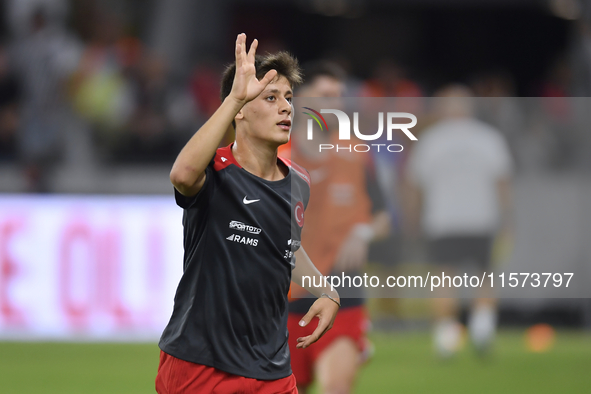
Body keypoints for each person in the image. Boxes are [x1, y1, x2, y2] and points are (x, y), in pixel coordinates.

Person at [155, 34, 341, 393]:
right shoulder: (215, 171)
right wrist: (234, 97)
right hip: (201, 365)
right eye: (270, 98)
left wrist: (326, 289)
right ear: (238, 108)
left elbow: (286, 246)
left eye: (288, 98)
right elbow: (181, 176)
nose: (286, 107)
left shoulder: (299, 181)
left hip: (272, 370)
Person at [288, 61, 390, 394]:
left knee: (336, 387)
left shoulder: (356, 152)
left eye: (340, 96)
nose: (337, 103)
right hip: (280, 304)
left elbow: (384, 216)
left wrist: (364, 232)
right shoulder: (275, 154)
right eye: (326, 95)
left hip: (342, 296)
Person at [404, 85, 513, 357]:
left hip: (443, 220)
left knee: (444, 276)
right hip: (481, 218)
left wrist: (413, 218)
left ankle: (446, 337)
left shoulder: (431, 141)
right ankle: (482, 329)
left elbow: (415, 185)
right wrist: (507, 218)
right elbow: (502, 183)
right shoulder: (489, 138)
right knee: (485, 275)